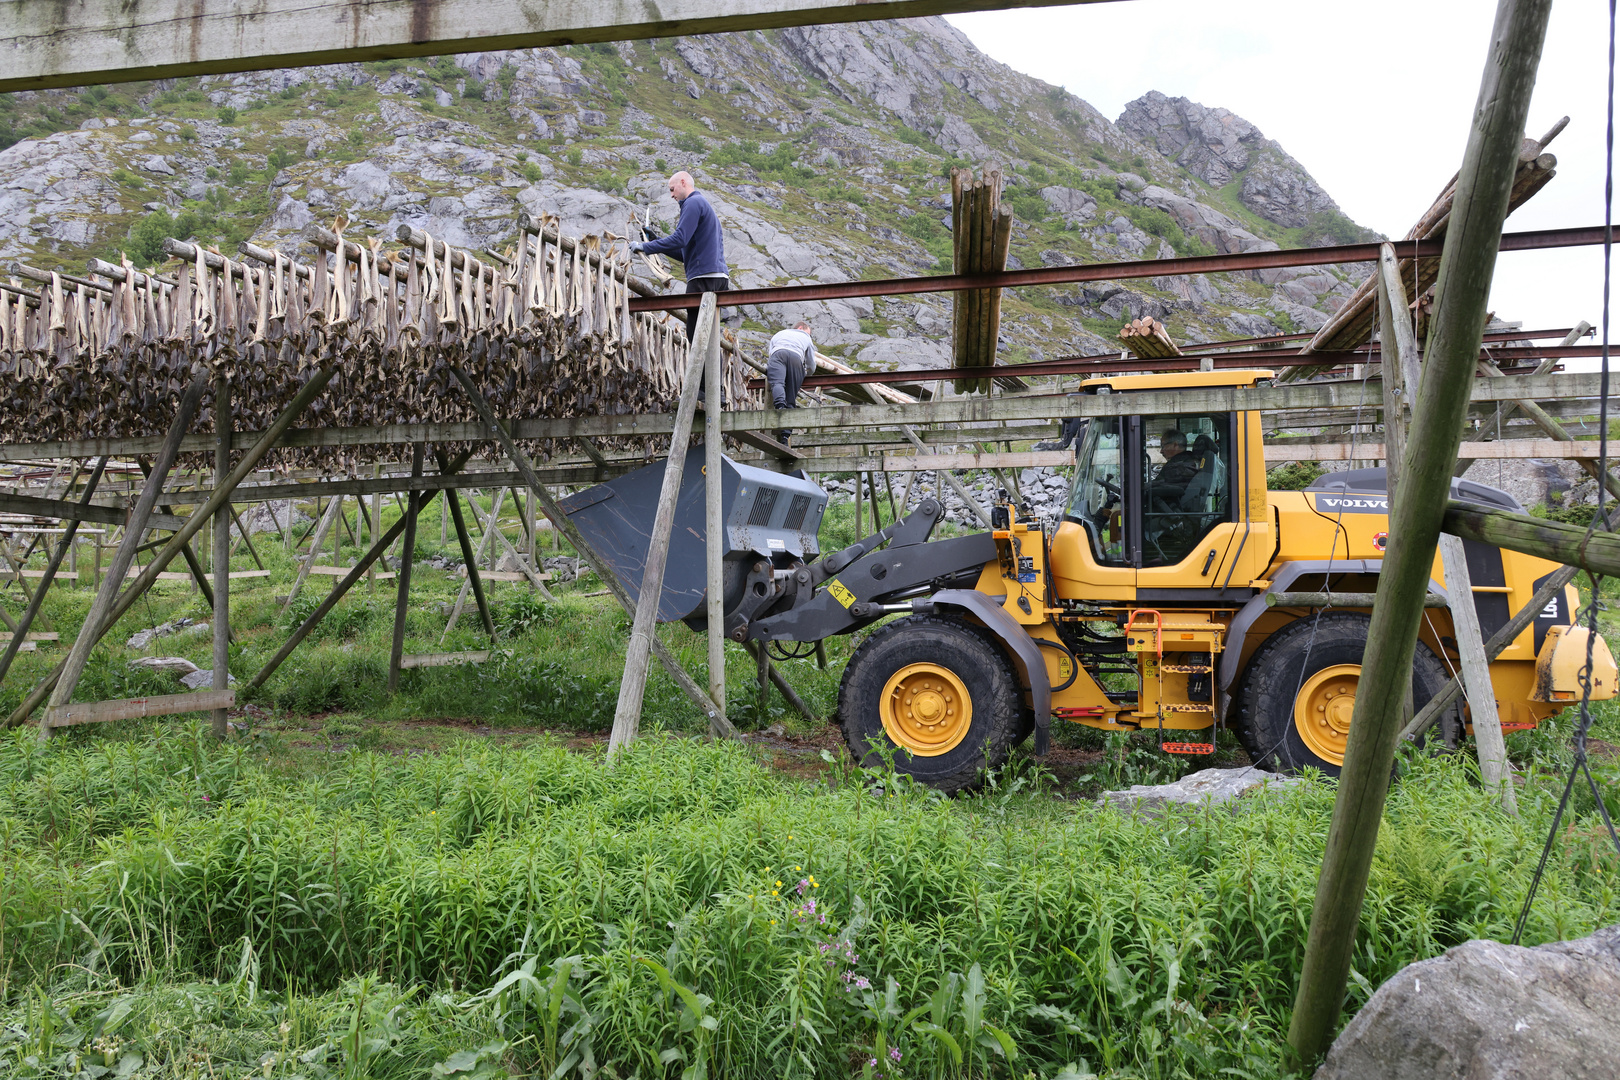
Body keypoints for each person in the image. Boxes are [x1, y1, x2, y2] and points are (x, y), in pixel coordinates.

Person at [630, 171, 729, 342]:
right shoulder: (702, 204)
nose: (671, 195)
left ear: (683, 182)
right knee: (707, 336)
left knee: (695, 335)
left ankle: (703, 370)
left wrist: (645, 247)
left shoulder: (692, 202)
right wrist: (655, 240)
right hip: (716, 277)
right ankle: (713, 369)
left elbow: (680, 238)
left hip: (702, 279)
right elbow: (685, 254)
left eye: (672, 189)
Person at [765, 321, 817, 444]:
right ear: (800, 328)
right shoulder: (806, 338)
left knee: (777, 383)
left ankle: (780, 407)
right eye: (808, 332)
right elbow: (811, 363)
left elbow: (770, 353)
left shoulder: (779, 333)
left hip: (778, 354)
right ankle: (785, 436)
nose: (809, 335)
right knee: (791, 395)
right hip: (796, 358)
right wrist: (806, 373)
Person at [1148, 429, 1200, 507]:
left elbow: (1163, 485)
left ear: (1175, 445)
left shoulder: (1179, 468)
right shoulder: (1186, 462)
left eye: (1163, 446)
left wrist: (1144, 488)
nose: (1161, 451)